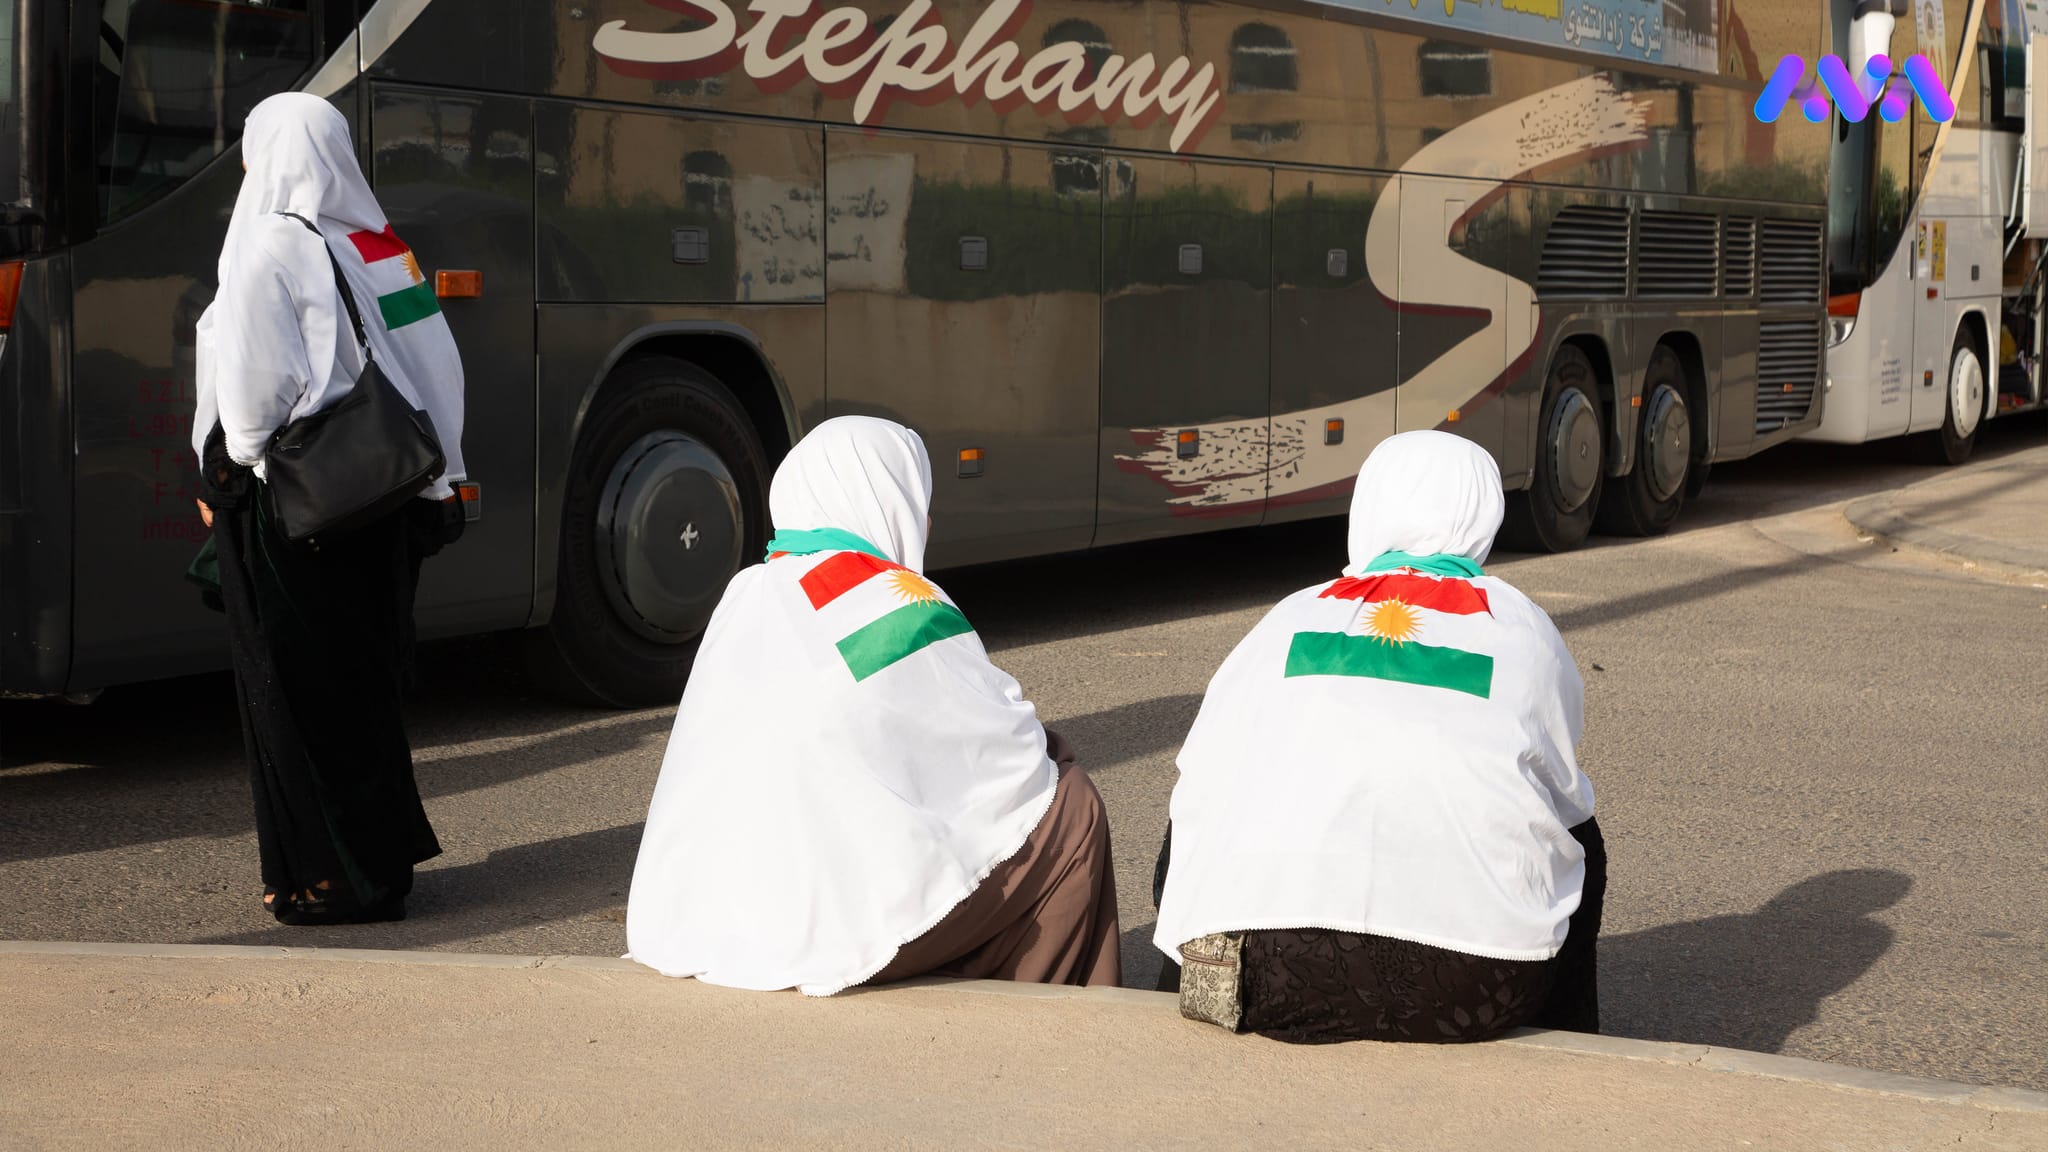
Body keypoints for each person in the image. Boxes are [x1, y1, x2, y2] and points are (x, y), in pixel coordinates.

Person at [625, 415, 1121, 994]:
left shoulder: (749, 591)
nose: (928, 519)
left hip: (706, 911)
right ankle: (1049, 1020)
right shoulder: (890, 597)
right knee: (1070, 804)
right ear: (884, 497)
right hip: (829, 922)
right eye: (918, 496)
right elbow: (1004, 753)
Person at [1152, 430, 1603, 1043]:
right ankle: (1574, 1042)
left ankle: (1178, 999)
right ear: (1483, 512)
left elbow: (1200, 778)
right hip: (1469, 985)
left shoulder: (1289, 614)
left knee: (1208, 801)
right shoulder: (1520, 625)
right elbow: (1559, 789)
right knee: (1582, 837)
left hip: (1253, 971)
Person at [191, 92, 467, 926]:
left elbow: (246, 401)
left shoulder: (268, 243)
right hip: (383, 496)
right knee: (367, 688)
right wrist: (440, 477)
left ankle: (324, 876)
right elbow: (440, 369)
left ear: (264, 154)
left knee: (293, 693)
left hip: (296, 504)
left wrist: (229, 471)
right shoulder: (382, 246)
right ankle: (380, 865)